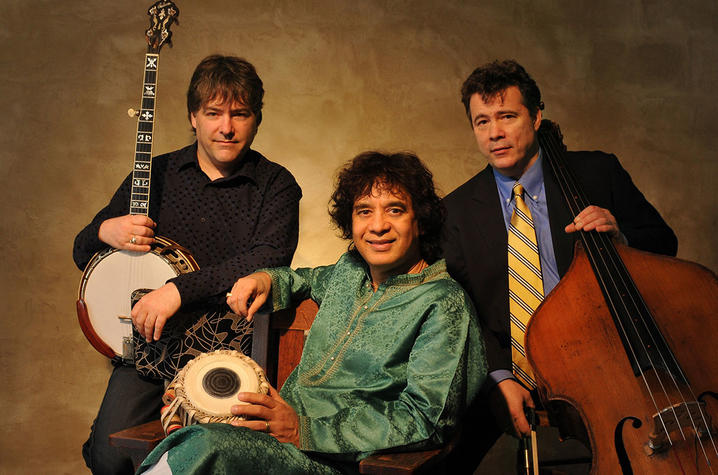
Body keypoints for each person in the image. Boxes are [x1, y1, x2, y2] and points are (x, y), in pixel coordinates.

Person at [137, 151, 487, 474]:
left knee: (204, 449)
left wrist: (304, 429)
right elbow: (302, 280)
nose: (377, 226)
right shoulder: (349, 273)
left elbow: (426, 419)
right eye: (364, 211)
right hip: (279, 443)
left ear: (420, 221)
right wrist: (265, 278)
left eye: (395, 210)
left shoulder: (443, 303)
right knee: (195, 434)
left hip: (342, 463)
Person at [442, 59, 678, 471]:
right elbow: (461, 313)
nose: (494, 133)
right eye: (481, 122)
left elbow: (664, 244)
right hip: (513, 380)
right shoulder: (456, 210)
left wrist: (621, 236)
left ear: (536, 116)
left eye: (507, 116)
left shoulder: (597, 172)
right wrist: (499, 379)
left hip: (610, 371)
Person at [73, 55, 302, 475]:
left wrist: (178, 290)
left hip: (230, 352)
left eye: (240, 114)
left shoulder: (277, 184)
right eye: (213, 113)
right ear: (193, 117)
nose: (226, 127)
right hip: (151, 347)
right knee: (108, 455)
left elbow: (268, 256)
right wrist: (103, 229)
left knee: (207, 462)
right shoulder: (157, 174)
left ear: (257, 119)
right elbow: (82, 252)